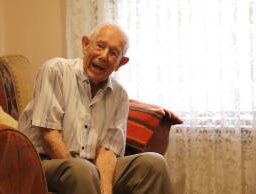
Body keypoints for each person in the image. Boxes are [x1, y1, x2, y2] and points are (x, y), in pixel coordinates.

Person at [18, 24, 173, 194]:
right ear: (86, 45)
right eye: (100, 46)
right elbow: (49, 136)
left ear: (120, 63)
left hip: (89, 167)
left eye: (113, 53)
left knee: (153, 164)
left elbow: (107, 152)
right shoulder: (56, 70)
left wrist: (105, 190)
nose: (104, 56)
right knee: (83, 170)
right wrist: (79, 169)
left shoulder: (119, 95)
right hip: (44, 164)